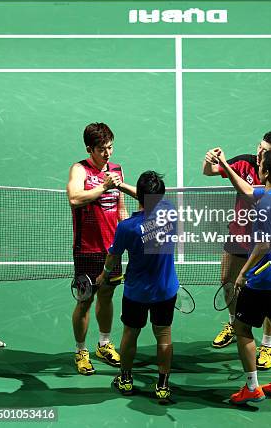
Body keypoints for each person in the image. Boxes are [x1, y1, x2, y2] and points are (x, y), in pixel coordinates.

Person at [203, 131, 271, 373]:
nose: (259, 153)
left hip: (261, 249)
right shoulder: (247, 164)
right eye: (259, 147)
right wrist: (214, 160)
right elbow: (211, 173)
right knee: (226, 281)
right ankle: (234, 324)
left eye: (265, 151)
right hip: (238, 235)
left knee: (266, 298)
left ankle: (266, 344)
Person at [97, 171, 179, 401]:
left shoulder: (127, 227)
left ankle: (125, 379)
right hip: (165, 289)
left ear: (140, 197)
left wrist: (104, 275)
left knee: (130, 334)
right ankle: (162, 385)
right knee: (164, 336)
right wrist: (123, 186)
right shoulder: (170, 212)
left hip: (137, 292)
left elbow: (112, 258)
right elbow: (152, 201)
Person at [67, 122, 127, 375]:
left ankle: (104, 343)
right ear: (89, 148)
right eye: (102, 149)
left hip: (112, 249)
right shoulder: (80, 169)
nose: (108, 153)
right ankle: (81, 350)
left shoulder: (117, 169)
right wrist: (103, 186)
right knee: (85, 300)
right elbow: (74, 198)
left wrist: (128, 237)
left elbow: (121, 208)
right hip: (87, 249)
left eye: (110, 147)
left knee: (107, 295)